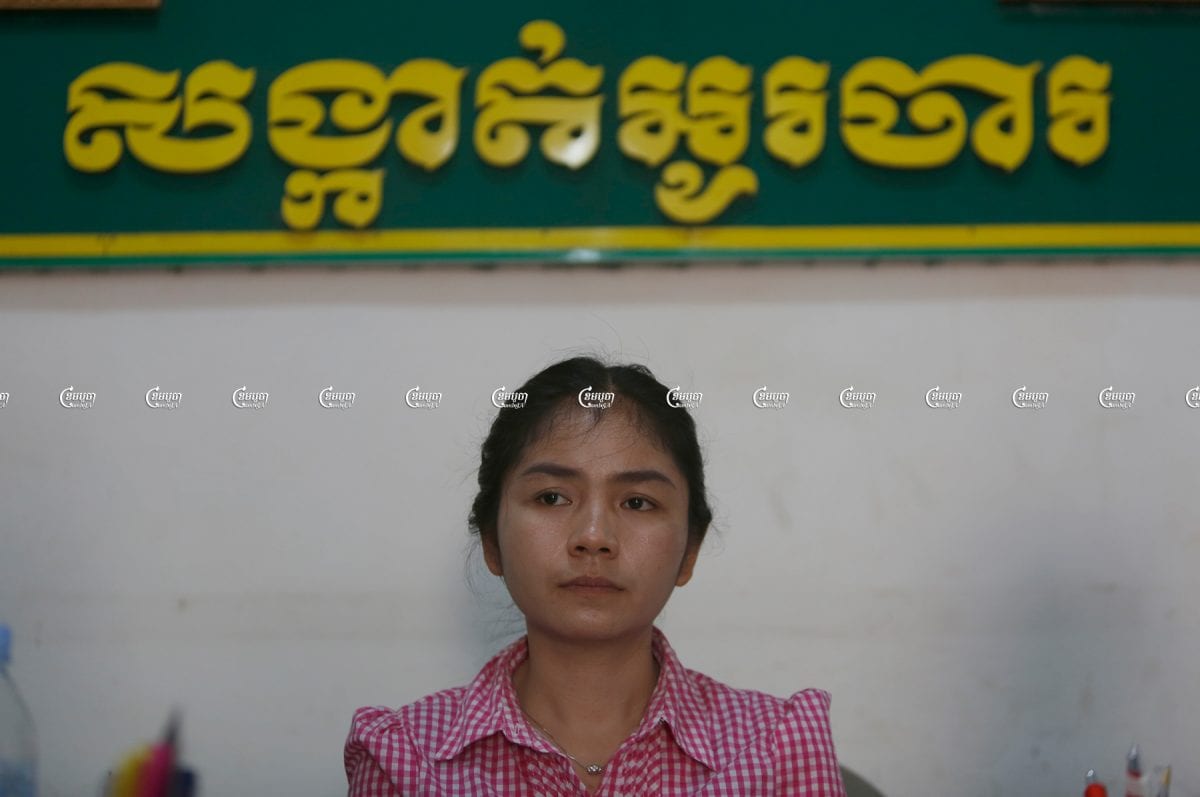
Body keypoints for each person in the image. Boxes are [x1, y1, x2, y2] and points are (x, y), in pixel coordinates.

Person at [344, 356, 846, 796]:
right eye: (552, 497)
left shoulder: (777, 746)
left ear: (689, 550)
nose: (592, 536)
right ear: (492, 541)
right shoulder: (404, 757)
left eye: (637, 502)